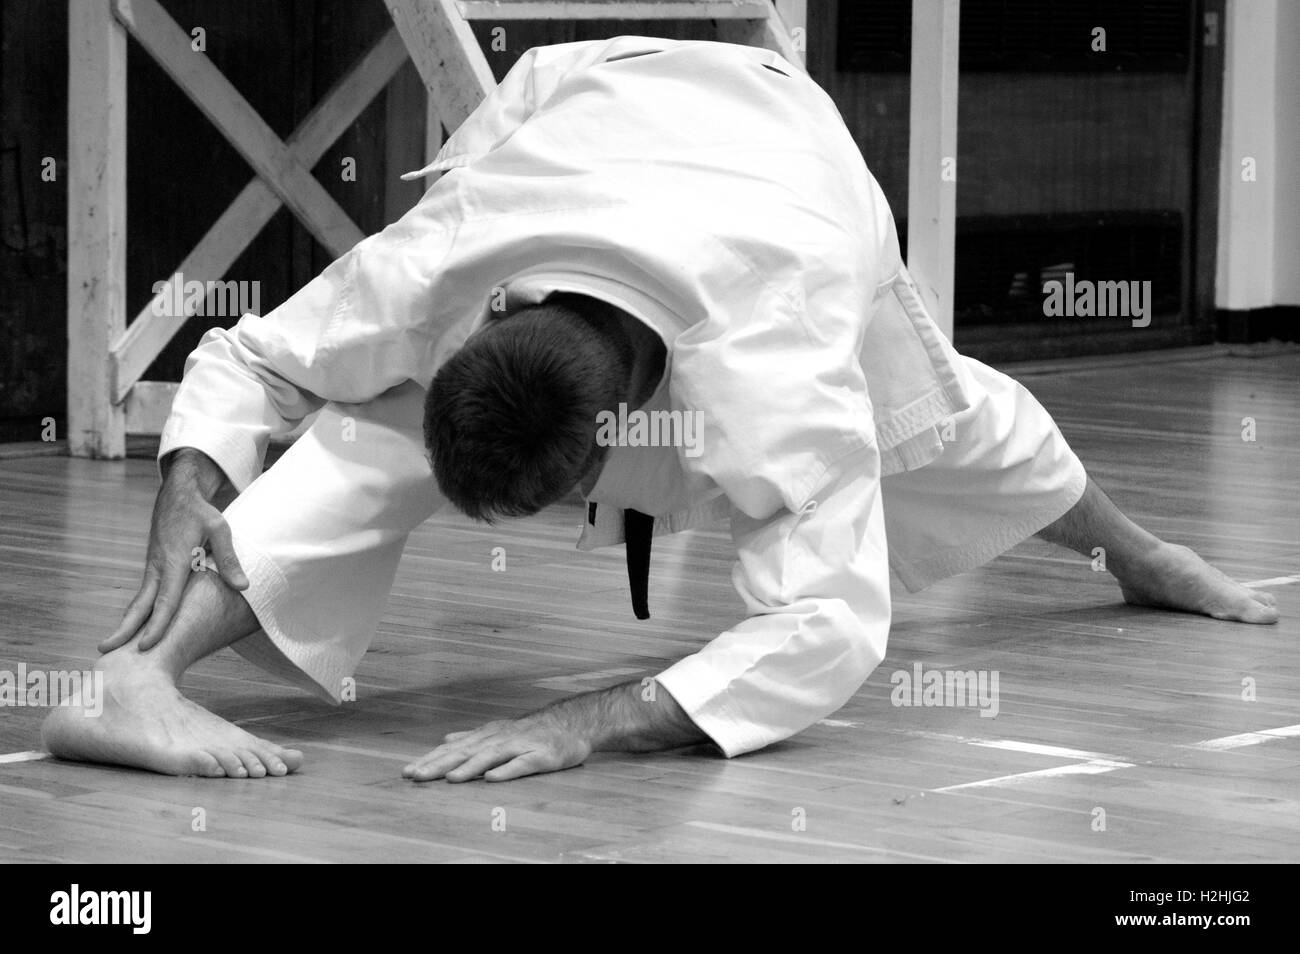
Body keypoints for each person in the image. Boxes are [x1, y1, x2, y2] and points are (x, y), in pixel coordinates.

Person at [42, 37, 1277, 783]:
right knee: (362, 434)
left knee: (962, 424)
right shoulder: (447, 265)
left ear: (606, 462)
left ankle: (1145, 555)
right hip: (590, 116)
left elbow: (829, 629)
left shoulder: (781, 359)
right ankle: (134, 681)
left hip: (781, 151)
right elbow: (259, 352)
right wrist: (187, 479)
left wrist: (599, 722)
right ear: (477, 329)